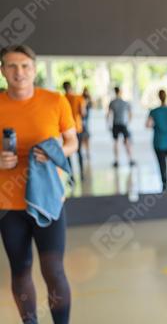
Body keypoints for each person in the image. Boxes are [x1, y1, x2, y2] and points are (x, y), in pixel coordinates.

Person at [0, 45, 78, 324]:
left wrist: (54, 152)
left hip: (48, 199)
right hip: (8, 203)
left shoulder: (55, 101)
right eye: (11, 66)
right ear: (2, 70)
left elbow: (72, 142)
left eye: (24, 66)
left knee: (53, 269)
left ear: (34, 69)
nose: (18, 72)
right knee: (20, 270)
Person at [62, 81, 86, 181]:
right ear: (71, 87)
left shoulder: (62, 99)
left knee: (68, 153)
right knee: (79, 151)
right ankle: (81, 174)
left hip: (66, 130)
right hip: (77, 128)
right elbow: (83, 113)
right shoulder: (79, 98)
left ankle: (71, 175)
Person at [107, 86, 135, 167]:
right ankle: (130, 160)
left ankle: (116, 161)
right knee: (126, 142)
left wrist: (108, 124)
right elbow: (130, 114)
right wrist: (128, 122)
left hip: (115, 124)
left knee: (116, 142)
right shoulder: (125, 102)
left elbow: (108, 114)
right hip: (123, 124)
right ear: (120, 92)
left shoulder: (112, 102)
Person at [81, 86, 93, 160]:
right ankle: (84, 152)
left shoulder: (88, 100)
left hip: (86, 122)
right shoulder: (81, 100)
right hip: (82, 122)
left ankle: (87, 152)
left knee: (86, 138)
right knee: (83, 138)